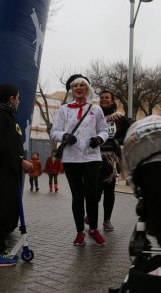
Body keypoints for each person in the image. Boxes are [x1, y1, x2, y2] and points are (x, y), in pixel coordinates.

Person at [50, 74, 109, 246]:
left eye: (82, 85)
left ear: (87, 89)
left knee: (91, 194)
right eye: (75, 86)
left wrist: (99, 139)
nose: (78, 88)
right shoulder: (64, 110)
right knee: (77, 196)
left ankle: (94, 229)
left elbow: (104, 130)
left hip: (91, 157)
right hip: (71, 158)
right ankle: (79, 232)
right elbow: (54, 132)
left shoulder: (96, 110)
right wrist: (65, 135)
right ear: (72, 90)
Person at [0, 84, 33, 267]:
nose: (19, 101)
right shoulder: (2, 118)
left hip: (4, 173)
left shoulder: (3, 117)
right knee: (1, 212)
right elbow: (3, 148)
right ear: (11, 98)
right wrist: (21, 162)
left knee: (3, 210)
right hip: (2, 175)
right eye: (17, 97)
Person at [96, 89, 130, 232]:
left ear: (112, 101)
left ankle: (107, 220)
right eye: (102, 97)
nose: (104, 99)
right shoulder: (94, 117)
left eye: (107, 97)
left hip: (111, 159)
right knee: (94, 191)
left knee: (109, 190)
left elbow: (129, 133)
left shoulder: (120, 118)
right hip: (94, 157)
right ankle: (90, 214)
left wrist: (118, 141)